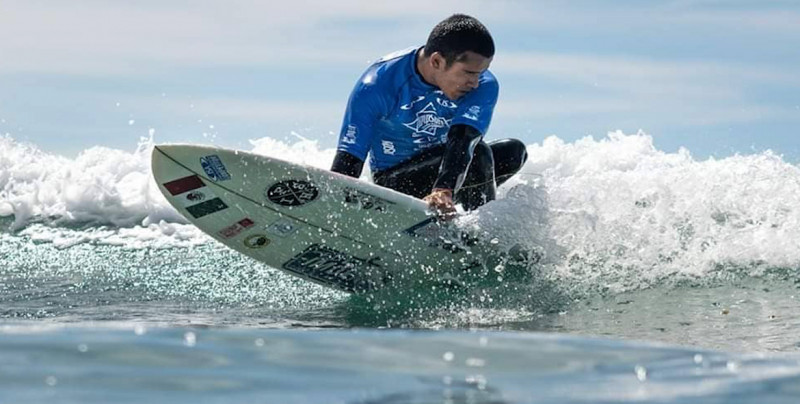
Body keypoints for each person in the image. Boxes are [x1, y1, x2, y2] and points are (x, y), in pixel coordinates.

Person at [331, 14, 527, 218]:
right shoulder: (377, 85)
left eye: (481, 72)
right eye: (469, 73)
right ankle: (476, 234)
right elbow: (349, 159)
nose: (476, 82)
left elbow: (464, 140)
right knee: (479, 155)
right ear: (436, 61)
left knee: (513, 151)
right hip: (395, 179)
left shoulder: (484, 84)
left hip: (447, 168)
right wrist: (332, 207)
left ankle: (472, 227)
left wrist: (443, 189)